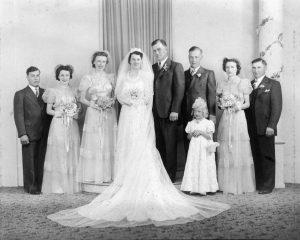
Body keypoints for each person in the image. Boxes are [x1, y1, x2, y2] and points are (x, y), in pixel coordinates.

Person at [47, 48, 230, 228]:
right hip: (127, 113)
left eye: (138, 60)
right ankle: (125, 178)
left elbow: (150, 96)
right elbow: (118, 94)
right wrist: (128, 100)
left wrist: (141, 105)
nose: (135, 62)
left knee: (142, 145)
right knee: (128, 143)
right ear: (129, 61)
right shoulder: (123, 76)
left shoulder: (146, 76)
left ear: (141, 62)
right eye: (133, 59)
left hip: (141, 113)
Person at [76, 51, 117, 184]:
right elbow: (81, 98)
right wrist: (94, 105)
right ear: (93, 62)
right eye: (98, 61)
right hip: (94, 112)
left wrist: (109, 103)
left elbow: (115, 96)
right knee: (95, 141)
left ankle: (107, 175)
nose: (101, 64)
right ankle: (93, 175)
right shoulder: (88, 78)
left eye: (103, 62)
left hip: (108, 113)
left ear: (106, 63)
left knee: (107, 141)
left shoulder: (111, 77)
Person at [217, 58, 256, 195]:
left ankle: (240, 184)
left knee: (238, 148)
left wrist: (237, 106)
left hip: (238, 118)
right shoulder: (222, 83)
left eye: (232, 67)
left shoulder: (243, 82)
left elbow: (247, 103)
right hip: (226, 118)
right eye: (227, 67)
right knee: (227, 148)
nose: (229, 70)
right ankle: (227, 184)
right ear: (225, 69)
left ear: (237, 68)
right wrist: (223, 105)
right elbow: (219, 103)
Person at [41, 65, 81, 194]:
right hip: (58, 123)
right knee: (58, 152)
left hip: (71, 124)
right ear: (58, 76)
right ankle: (58, 186)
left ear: (70, 77)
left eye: (67, 75)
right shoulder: (52, 91)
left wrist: (74, 114)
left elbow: (78, 109)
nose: (64, 78)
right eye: (62, 75)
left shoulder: (74, 91)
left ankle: (71, 185)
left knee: (71, 151)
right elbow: (48, 110)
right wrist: (60, 113)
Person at [245, 58, 282, 194]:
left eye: (259, 67)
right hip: (251, 127)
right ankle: (260, 184)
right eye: (254, 68)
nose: (256, 70)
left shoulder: (273, 84)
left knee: (267, 157)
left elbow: (277, 107)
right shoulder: (249, 85)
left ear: (265, 68)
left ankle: (268, 186)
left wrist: (271, 125)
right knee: (256, 156)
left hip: (266, 127)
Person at [13, 66, 51, 194]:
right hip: (29, 133)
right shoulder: (20, 94)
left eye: (37, 75)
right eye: (32, 75)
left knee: (42, 160)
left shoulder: (46, 92)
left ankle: (40, 186)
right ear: (27, 77)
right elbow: (18, 115)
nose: (36, 78)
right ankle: (31, 187)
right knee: (29, 161)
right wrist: (22, 134)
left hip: (44, 132)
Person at [152, 39, 185, 182]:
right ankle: (161, 175)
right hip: (155, 113)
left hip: (170, 113)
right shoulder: (152, 67)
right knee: (159, 145)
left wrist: (175, 110)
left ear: (166, 49)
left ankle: (170, 176)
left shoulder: (176, 66)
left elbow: (179, 89)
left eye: (159, 49)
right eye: (154, 50)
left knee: (170, 145)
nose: (157, 53)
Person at [182, 46, 216, 154]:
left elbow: (211, 95)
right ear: (188, 57)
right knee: (188, 142)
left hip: (202, 115)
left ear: (201, 57)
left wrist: (212, 115)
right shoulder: (183, 74)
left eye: (196, 57)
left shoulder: (208, 73)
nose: (193, 60)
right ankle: (189, 169)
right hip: (187, 113)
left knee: (203, 143)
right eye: (191, 57)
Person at [181, 97, 219, 195]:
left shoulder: (208, 123)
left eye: (199, 111)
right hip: (194, 148)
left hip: (204, 148)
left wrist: (201, 132)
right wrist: (192, 133)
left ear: (204, 112)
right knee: (194, 164)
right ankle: (193, 187)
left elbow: (209, 137)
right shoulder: (191, 123)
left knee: (204, 164)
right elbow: (189, 137)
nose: (197, 113)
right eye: (195, 111)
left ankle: (206, 187)